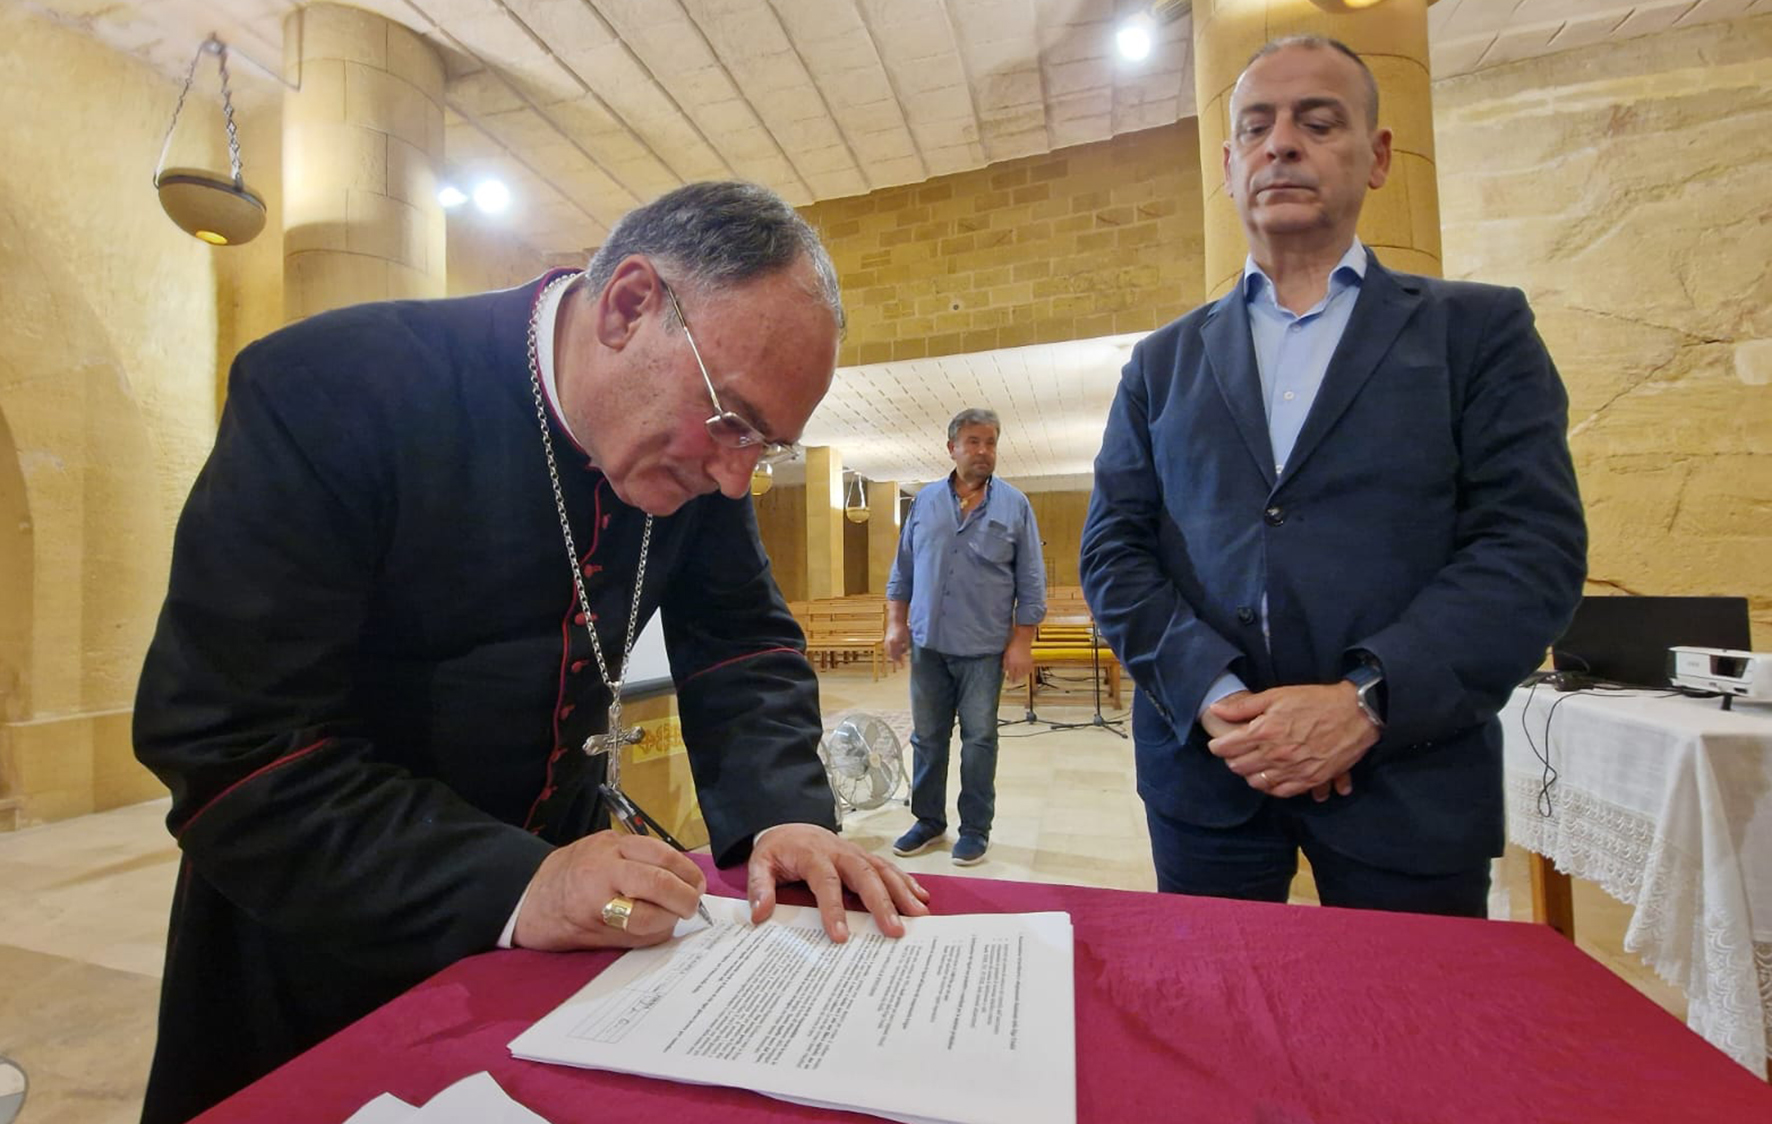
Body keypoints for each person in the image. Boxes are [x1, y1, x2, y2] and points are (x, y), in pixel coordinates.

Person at [132, 181, 930, 1124]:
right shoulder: (333, 387)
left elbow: (742, 641)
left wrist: (781, 817)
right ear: (631, 306)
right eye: (731, 421)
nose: (733, 475)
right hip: (327, 922)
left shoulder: (705, 461)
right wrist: (518, 883)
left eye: (767, 447)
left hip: (567, 928)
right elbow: (230, 742)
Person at [1078, 37, 1586, 917]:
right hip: (1210, 773)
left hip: (1408, 780)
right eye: (1257, 128)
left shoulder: (1478, 333)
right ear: (1230, 163)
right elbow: (1115, 550)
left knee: (1405, 1040)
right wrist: (1216, 696)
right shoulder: (1160, 363)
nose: (1282, 144)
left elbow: (1528, 547)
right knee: (1219, 1030)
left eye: (1318, 122)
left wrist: (1367, 700)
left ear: (1378, 156)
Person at [883, 409, 1046, 866]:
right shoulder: (925, 502)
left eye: (990, 442)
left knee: (979, 741)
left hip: (983, 649)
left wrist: (1022, 642)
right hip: (928, 645)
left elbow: (1031, 579)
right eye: (973, 442)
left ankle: (975, 829)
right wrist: (896, 623)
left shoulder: (1015, 505)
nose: (983, 451)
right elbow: (904, 569)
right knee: (928, 739)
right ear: (951, 447)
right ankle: (928, 821)